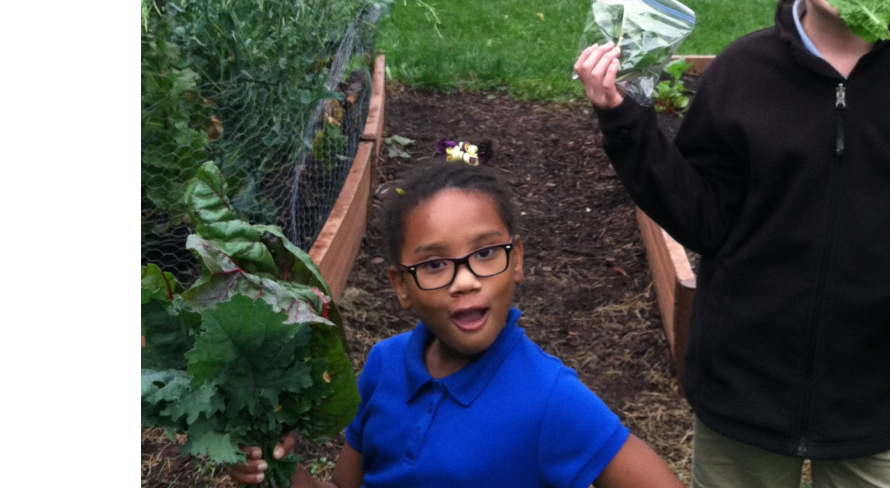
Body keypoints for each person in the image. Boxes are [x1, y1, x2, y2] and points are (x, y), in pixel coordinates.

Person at [573, 0, 890, 485]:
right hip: (743, 385)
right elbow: (701, 216)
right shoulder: (741, 75)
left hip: (870, 392)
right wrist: (625, 122)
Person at [229, 160, 684, 488]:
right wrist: (282, 473)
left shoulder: (549, 399)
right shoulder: (384, 366)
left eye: (486, 253)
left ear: (517, 259)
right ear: (401, 286)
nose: (465, 281)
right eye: (434, 265)